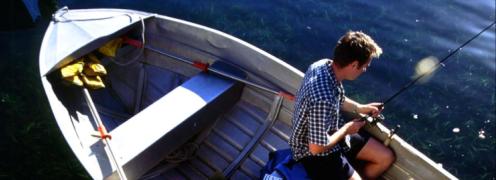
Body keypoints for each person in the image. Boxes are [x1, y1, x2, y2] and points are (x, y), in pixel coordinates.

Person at [289, 31, 395, 180]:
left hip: (332, 131)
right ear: (353, 65)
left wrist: (359, 108)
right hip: (311, 154)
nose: (364, 70)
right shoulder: (323, 99)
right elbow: (316, 148)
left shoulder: (323, 65)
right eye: (365, 66)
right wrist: (347, 129)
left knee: (385, 157)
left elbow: (336, 98)